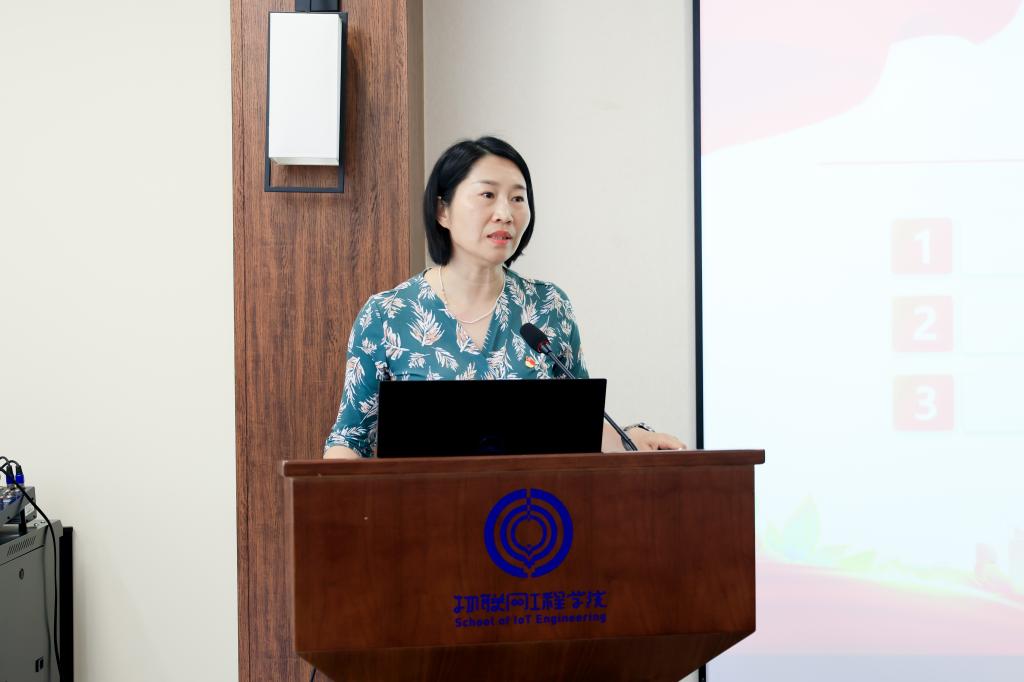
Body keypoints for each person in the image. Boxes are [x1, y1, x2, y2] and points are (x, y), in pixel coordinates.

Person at [324, 136, 685, 459]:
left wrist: (629, 438)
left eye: (517, 198)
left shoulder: (548, 307)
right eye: (488, 195)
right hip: (423, 510)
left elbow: (580, 427)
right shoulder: (388, 314)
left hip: (530, 509)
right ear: (442, 210)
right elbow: (350, 439)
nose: (505, 213)